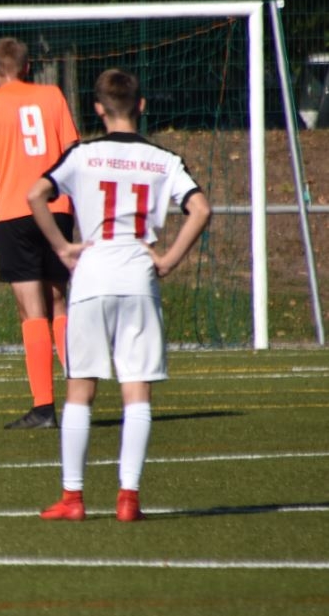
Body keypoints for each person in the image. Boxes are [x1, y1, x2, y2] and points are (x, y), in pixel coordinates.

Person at [27, 68, 211, 522]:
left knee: (80, 390)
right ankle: (128, 497)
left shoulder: (83, 154)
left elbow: (35, 195)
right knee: (137, 391)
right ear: (141, 105)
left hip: (92, 276)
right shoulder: (164, 159)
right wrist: (168, 260)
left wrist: (62, 247)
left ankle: (73, 498)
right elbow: (201, 209)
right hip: (137, 278)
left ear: (97, 109)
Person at [0, 36, 80, 430]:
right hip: (55, 207)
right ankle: (79, 391)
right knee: (59, 301)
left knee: (31, 310)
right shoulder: (52, 95)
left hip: (15, 211)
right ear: (28, 67)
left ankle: (43, 407)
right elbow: (73, 152)